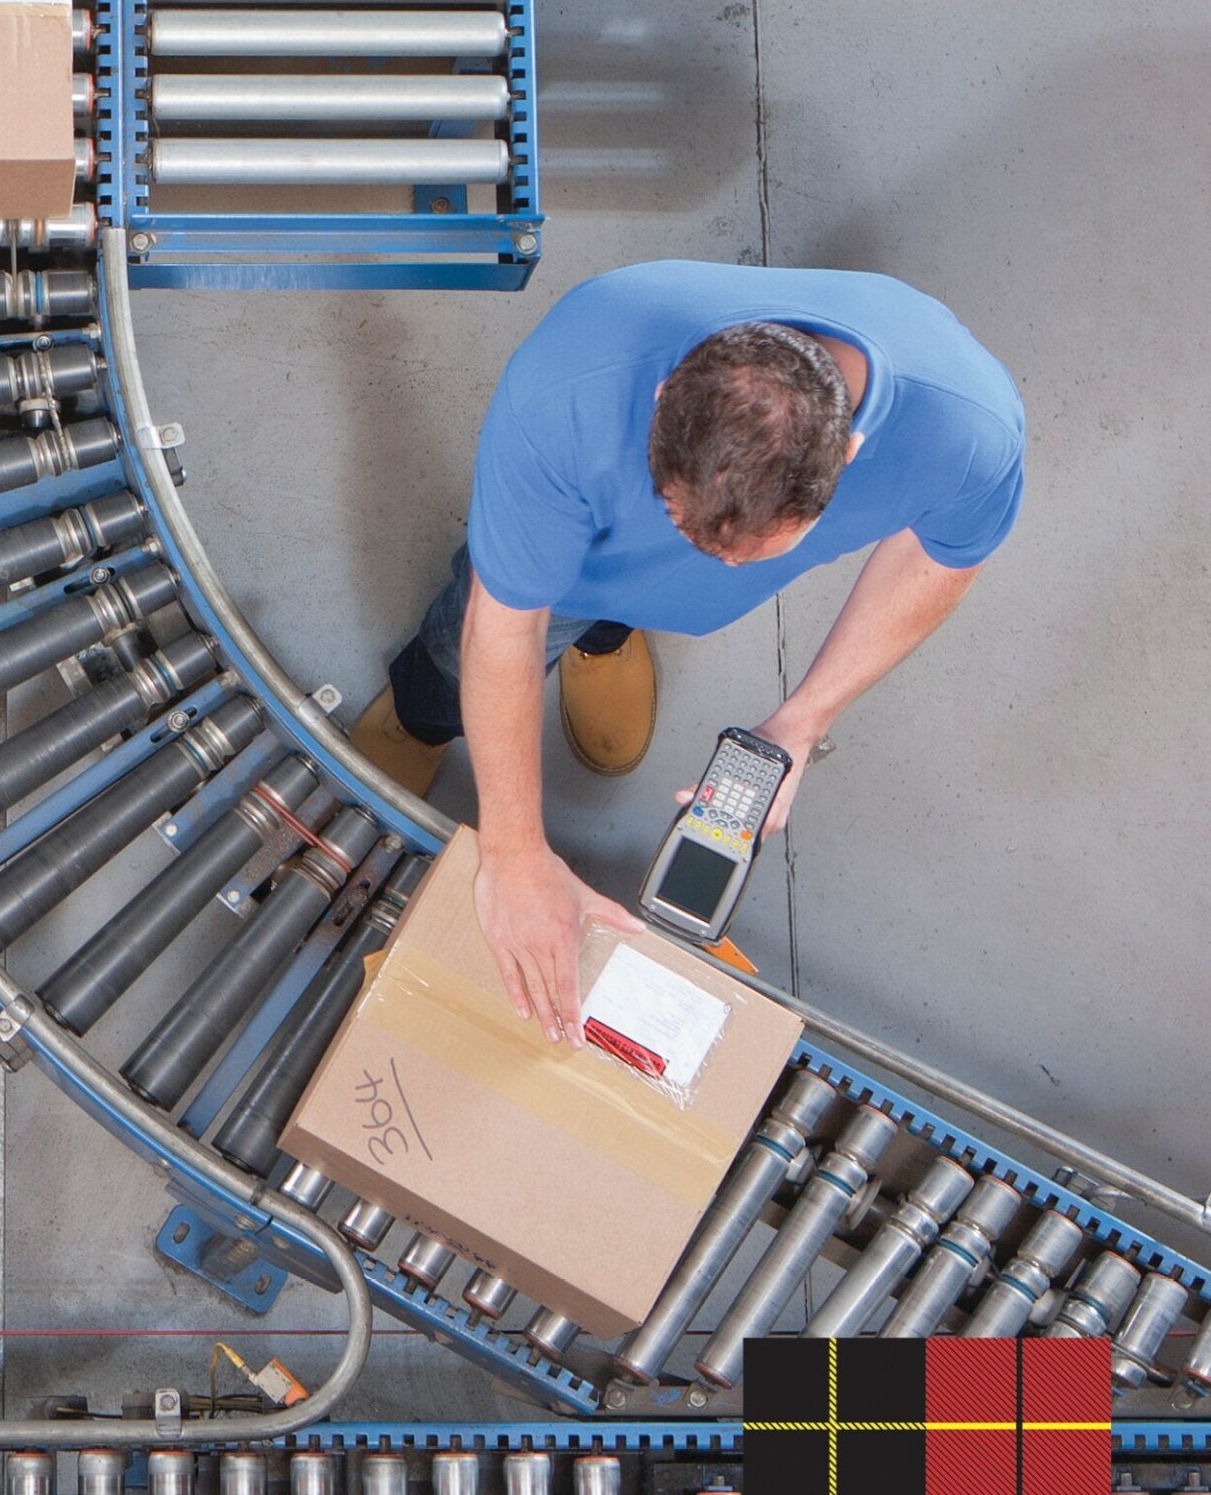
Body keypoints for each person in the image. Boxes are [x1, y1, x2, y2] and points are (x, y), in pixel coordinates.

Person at [351, 259, 1025, 1043]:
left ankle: (607, 638)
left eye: (758, 550)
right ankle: (420, 716)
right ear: (664, 396)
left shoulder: (968, 432)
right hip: (565, 570)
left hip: (635, 574)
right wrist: (512, 852)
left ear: (848, 452)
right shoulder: (570, 384)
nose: (727, 567)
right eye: (680, 520)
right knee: (455, 661)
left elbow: (944, 557)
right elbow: (505, 625)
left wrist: (800, 724)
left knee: (632, 598)